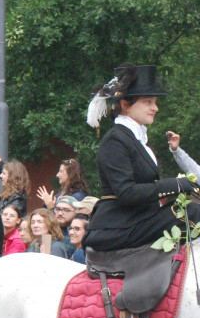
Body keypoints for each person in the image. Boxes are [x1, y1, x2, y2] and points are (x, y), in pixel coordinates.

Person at [84, 64, 200, 251]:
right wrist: (176, 185)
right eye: (148, 102)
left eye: (154, 102)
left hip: (139, 219)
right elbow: (126, 193)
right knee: (194, 212)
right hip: (120, 226)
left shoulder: (136, 139)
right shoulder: (115, 140)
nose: (155, 108)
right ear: (125, 105)